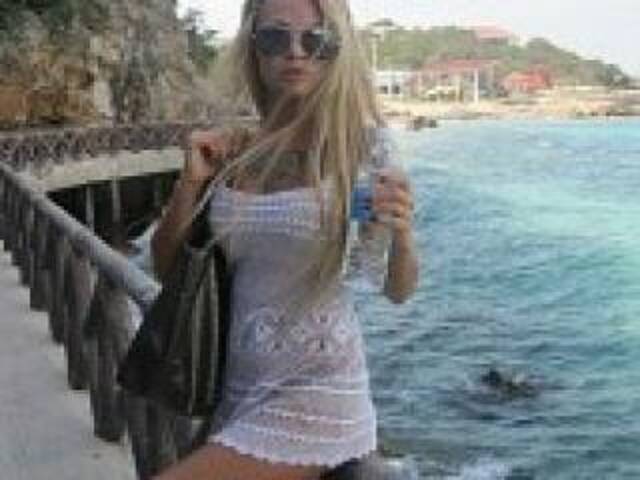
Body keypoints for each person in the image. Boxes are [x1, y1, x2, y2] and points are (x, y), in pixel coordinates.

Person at [150, 0, 418, 478]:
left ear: (337, 50)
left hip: (319, 392)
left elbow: (395, 289)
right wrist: (190, 184)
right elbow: (167, 267)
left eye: (316, 40)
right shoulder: (235, 150)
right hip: (238, 388)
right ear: (252, 47)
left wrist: (402, 234)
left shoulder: (361, 148)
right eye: (276, 37)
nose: (296, 52)